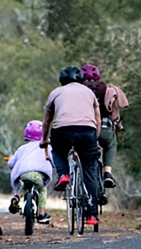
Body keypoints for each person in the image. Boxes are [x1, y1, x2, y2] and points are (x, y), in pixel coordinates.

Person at [40, 66, 101, 226]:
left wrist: (44, 139)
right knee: (89, 171)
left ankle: (63, 174)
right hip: (87, 132)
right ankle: (92, 215)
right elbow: (98, 119)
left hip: (62, 131)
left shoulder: (55, 92)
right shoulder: (89, 93)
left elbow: (47, 120)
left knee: (58, 151)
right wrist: (95, 138)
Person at [80, 64, 129, 189]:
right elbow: (114, 114)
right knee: (110, 144)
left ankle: (77, 173)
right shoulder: (107, 89)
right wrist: (118, 125)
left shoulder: (77, 90)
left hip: (84, 128)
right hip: (105, 128)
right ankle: (107, 173)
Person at [6, 120, 53, 224]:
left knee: (25, 186)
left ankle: (16, 199)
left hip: (23, 174)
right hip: (37, 175)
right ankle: (41, 214)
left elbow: (10, 164)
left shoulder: (22, 148)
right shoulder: (46, 147)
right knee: (42, 189)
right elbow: (53, 160)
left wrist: (10, 160)